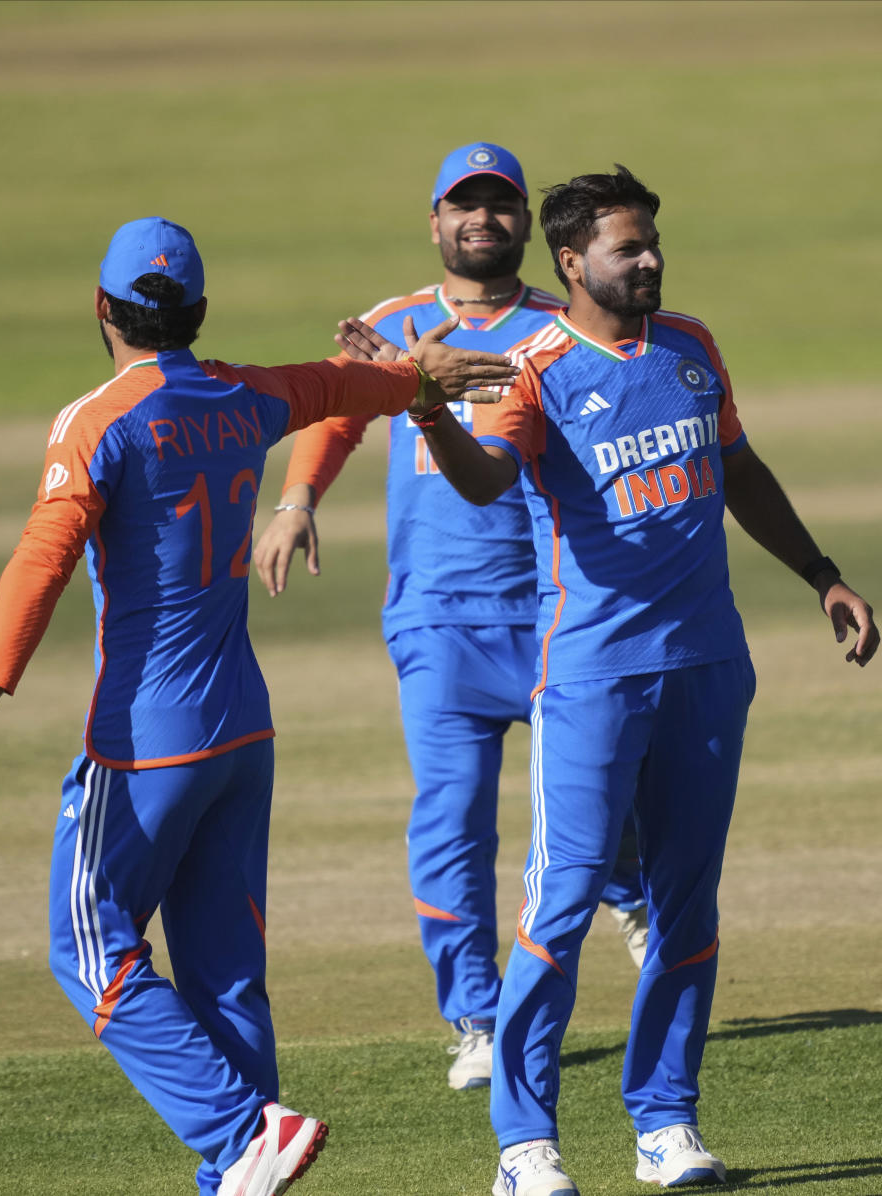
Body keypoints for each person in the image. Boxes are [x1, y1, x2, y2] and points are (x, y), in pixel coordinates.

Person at [0, 217, 518, 1196]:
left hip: (148, 741)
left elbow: (42, 559)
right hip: (244, 729)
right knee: (224, 973)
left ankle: (242, 1129)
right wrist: (418, 377)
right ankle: (244, 1163)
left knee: (85, 941)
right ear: (197, 312)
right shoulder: (247, 395)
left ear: (104, 310)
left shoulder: (98, 420)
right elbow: (340, 386)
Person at [336, 165, 878, 1195]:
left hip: (710, 666)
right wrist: (430, 411)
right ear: (574, 261)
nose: (652, 261)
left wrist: (822, 575)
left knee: (686, 905)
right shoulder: (531, 364)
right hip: (590, 673)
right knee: (566, 896)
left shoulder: (692, 346)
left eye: (654, 244)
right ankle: (525, 1143)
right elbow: (491, 479)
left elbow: (741, 470)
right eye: (630, 249)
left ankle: (666, 1123)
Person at [253, 144, 648, 1094]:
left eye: (500, 203)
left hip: (559, 608)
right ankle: (475, 1017)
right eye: (463, 204)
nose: (482, 219)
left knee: (602, 805)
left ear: (526, 225)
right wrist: (297, 500)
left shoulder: (565, 327)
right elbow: (335, 418)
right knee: (451, 822)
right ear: (434, 221)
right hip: (436, 618)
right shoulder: (391, 327)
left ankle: (635, 902)